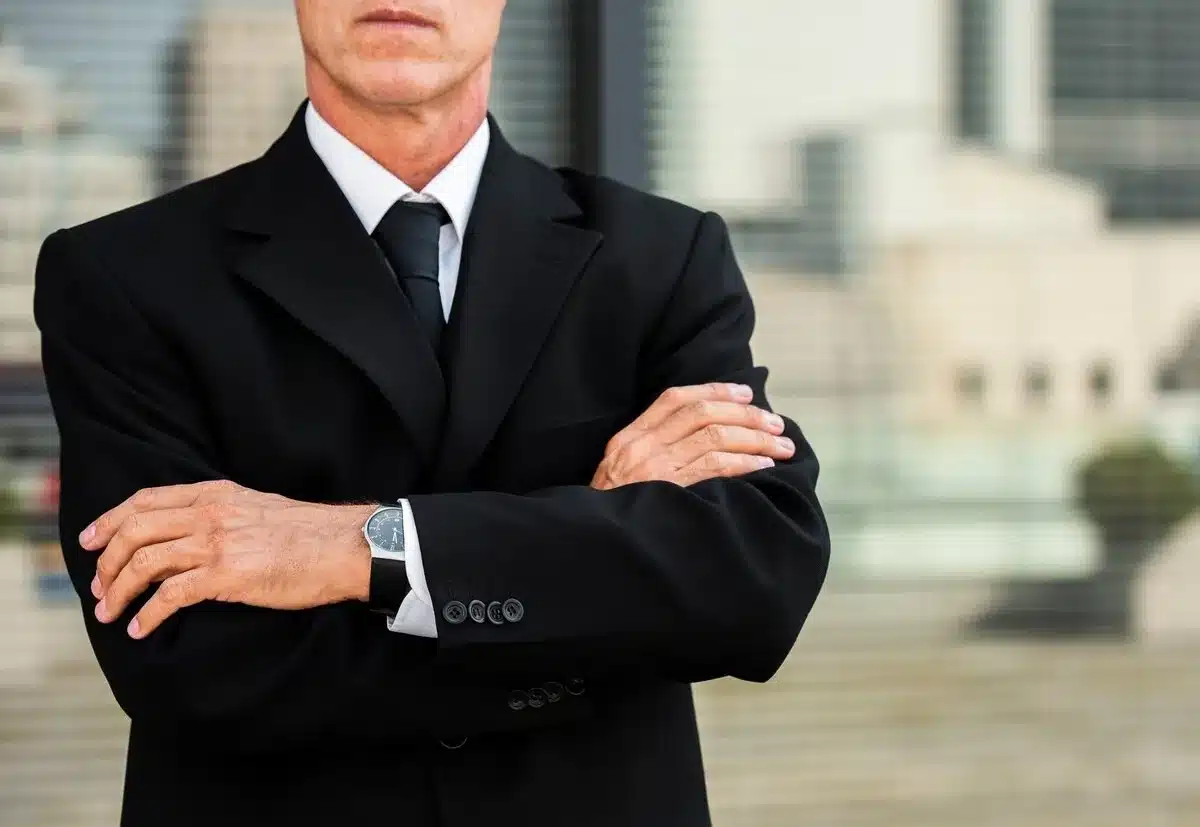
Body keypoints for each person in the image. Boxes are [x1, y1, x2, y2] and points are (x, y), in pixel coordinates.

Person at [33, 2, 830, 825]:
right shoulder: (122, 276)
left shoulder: (663, 258)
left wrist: (357, 549)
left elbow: (753, 576)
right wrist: (592, 546)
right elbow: (187, 664)